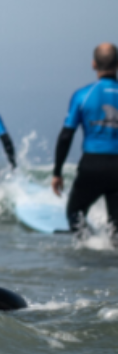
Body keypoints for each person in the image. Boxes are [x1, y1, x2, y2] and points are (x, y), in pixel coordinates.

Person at [51, 42, 118, 237]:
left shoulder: (83, 95)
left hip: (92, 164)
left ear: (93, 64)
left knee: (75, 214)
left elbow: (66, 136)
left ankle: (91, 252)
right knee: (117, 227)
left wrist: (57, 172)